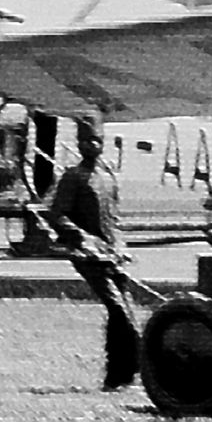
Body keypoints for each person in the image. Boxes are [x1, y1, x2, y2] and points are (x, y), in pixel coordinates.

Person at [42, 119, 138, 389]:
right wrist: (83, 238)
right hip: (87, 256)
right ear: (79, 144)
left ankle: (124, 374)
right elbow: (56, 215)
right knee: (118, 309)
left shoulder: (108, 175)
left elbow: (114, 218)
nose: (91, 145)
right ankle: (120, 372)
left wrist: (120, 246)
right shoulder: (73, 177)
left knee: (127, 313)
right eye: (86, 141)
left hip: (112, 254)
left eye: (96, 140)